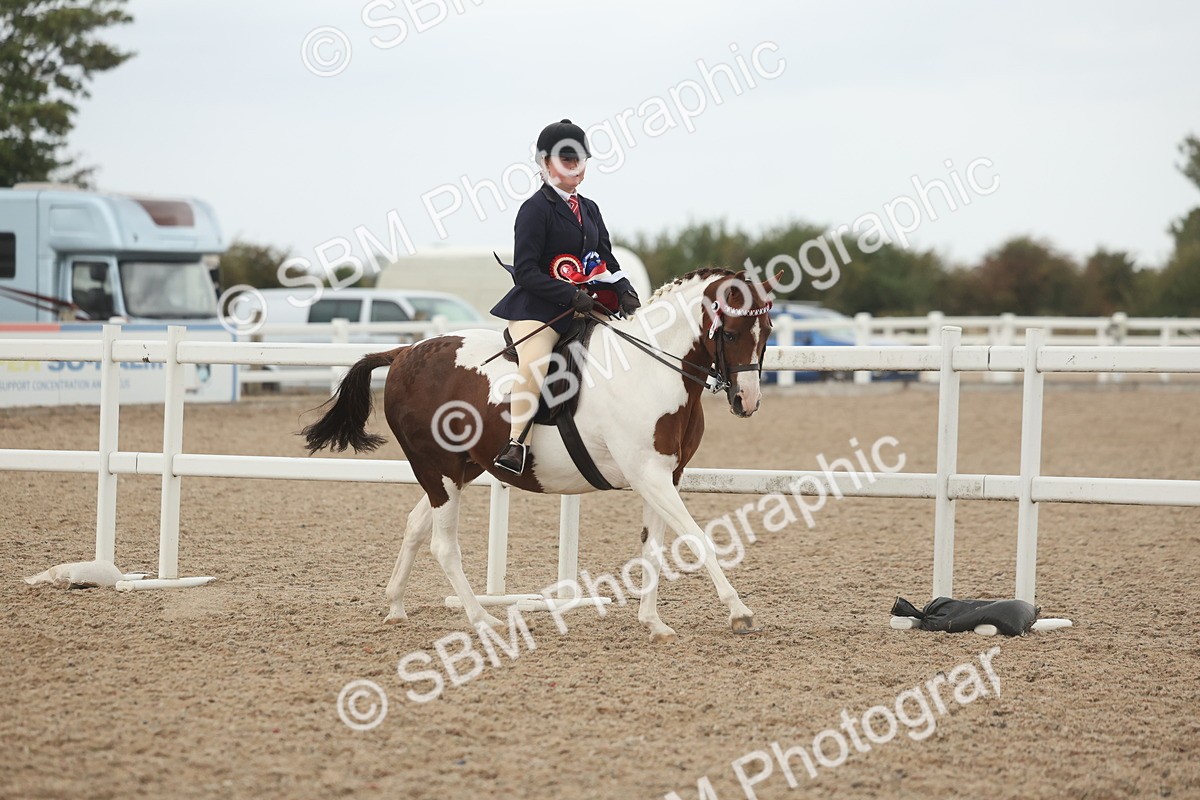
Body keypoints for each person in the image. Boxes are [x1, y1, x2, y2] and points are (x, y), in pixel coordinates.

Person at [490, 119, 641, 475]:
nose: (575, 166)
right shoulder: (534, 209)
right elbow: (526, 271)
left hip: (584, 307)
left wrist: (624, 291)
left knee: (625, 351)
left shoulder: (589, 209)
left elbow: (605, 258)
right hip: (539, 309)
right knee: (537, 363)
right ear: (545, 164)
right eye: (566, 159)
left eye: (580, 159)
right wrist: (569, 294)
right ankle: (516, 443)